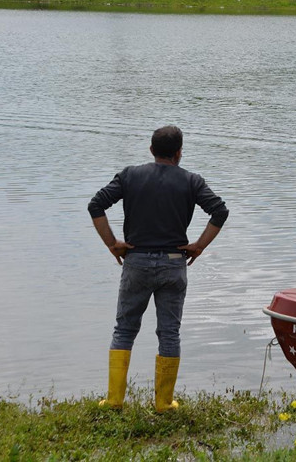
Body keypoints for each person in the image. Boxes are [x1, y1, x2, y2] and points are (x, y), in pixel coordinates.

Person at [88, 125, 229, 412]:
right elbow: (220, 211)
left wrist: (112, 244)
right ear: (179, 153)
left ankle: (114, 401)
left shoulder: (129, 175)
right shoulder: (192, 181)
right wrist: (199, 246)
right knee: (169, 334)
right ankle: (164, 403)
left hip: (136, 261)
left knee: (124, 330)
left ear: (151, 150)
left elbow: (95, 205)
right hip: (174, 263)